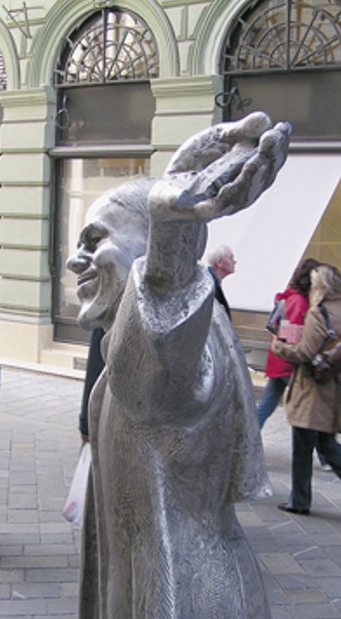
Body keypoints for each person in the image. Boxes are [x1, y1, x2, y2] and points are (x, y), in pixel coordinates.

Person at [67, 111, 291, 618]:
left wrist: (170, 228)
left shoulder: (178, 345)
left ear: (149, 251)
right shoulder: (128, 351)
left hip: (183, 594)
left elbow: (160, 325)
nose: (75, 260)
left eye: (94, 240)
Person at [271, 263, 341, 516]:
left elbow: (305, 353)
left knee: (303, 446)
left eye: (313, 284)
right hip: (337, 387)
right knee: (328, 445)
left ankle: (299, 501)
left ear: (320, 287)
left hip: (314, 390)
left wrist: (279, 346)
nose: (311, 288)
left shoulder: (318, 313)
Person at [257, 258, 320, 428]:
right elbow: (293, 335)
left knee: (267, 404)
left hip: (281, 359)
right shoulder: (299, 302)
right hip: (289, 362)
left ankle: (246, 437)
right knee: (303, 407)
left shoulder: (292, 298)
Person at [206, 243, 235, 317]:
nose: (234, 262)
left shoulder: (212, 283)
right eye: (231, 258)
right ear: (219, 263)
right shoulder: (209, 287)